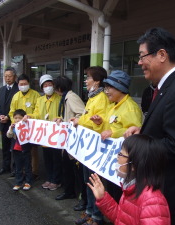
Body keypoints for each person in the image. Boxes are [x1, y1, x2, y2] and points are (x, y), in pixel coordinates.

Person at [124, 27, 175, 225]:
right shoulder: (167, 86)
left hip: (174, 192)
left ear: (161, 55)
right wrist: (143, 132)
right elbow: (166, 128)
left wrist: (138, 146)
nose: (140, 63)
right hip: (163, 188)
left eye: (143, 56)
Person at [87, 134, 170, 225]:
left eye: (121, 154)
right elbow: (122, 219)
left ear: (134, 164)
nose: (117, 157)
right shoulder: (131, 188)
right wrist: (103, 198)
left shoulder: (153, 201)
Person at [90, 70, 142, 205]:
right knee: (112, 193)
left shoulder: (130, 108)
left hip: (123, 164)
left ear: (120, 88)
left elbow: (134, 134)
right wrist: (99, 124)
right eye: (106, 87)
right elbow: (106, 129)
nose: (106, 91)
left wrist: (113, 133)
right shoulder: (113, 107)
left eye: (109, 88)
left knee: (121, 196)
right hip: (112, 161)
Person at [71, 66, 109, 225]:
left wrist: (80, 121)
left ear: (97, 81)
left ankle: (97, 216)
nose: (86, 81)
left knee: (94, 182)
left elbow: (97, 121)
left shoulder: (102, 98)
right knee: (88, 180)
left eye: (88, 78)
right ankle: (89, 211)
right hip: (87, 148)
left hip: (95, 149)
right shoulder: (93, 97)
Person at [24, 74, 63, 191]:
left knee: (56, 158)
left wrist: (59, 118)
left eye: (50, 84)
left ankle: (56, 180)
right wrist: (30, 116)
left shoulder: (59, 98)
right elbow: (36, 114)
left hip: (56, 134)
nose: (48, 87)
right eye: (45, 85)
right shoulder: (40, 100)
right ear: (42, 88)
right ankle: (49, 178)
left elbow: (63, 114)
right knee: (47, 157)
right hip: (44, 135)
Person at [53, 76, 85, 201]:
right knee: (67, 166)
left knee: (74, 168)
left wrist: (73, 121)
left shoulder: (71, 98)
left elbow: (82, 114)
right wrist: (62, 119)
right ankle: (69, 191)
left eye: (55, 87)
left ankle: (77, 193)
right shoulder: (66, 97)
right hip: (68, 139)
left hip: (74, 139)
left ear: (60, 88)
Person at [9, 74, 40, 180]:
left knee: (33, 151)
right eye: (21, 84)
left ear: (29, 84)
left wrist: (30, 117)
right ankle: (21, 171)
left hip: (31, 128)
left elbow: (38, 111)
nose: (23, 85)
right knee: (19, 150)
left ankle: (34, 171)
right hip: (19, 130)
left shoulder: (35, 95)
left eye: (25, 84)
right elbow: (12, 112)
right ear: (18, 84)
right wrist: (15, 123)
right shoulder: (16, 96)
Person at [0, 67, 19, 175]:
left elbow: (18, 108)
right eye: (5, 76)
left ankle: (15, 168)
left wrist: (9, 117)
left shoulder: (18, 89)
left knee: (14, 146)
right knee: (5, 145)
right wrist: (0, 115)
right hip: (3, 122)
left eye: (9, 76)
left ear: (14, 77)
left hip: (13, 122)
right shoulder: (2, 89)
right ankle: (5, 167)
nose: (7, 78)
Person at [7, 109, 32, 191]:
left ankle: (28, 182)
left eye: (19, 118)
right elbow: (9, 135)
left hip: (25, 149)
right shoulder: (13, 127)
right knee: (18, 167)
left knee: (27, 166)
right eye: (15, 118)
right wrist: (11, 128)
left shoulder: (27, 126)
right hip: (16, 150)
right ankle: (18, 182)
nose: (17, 120)